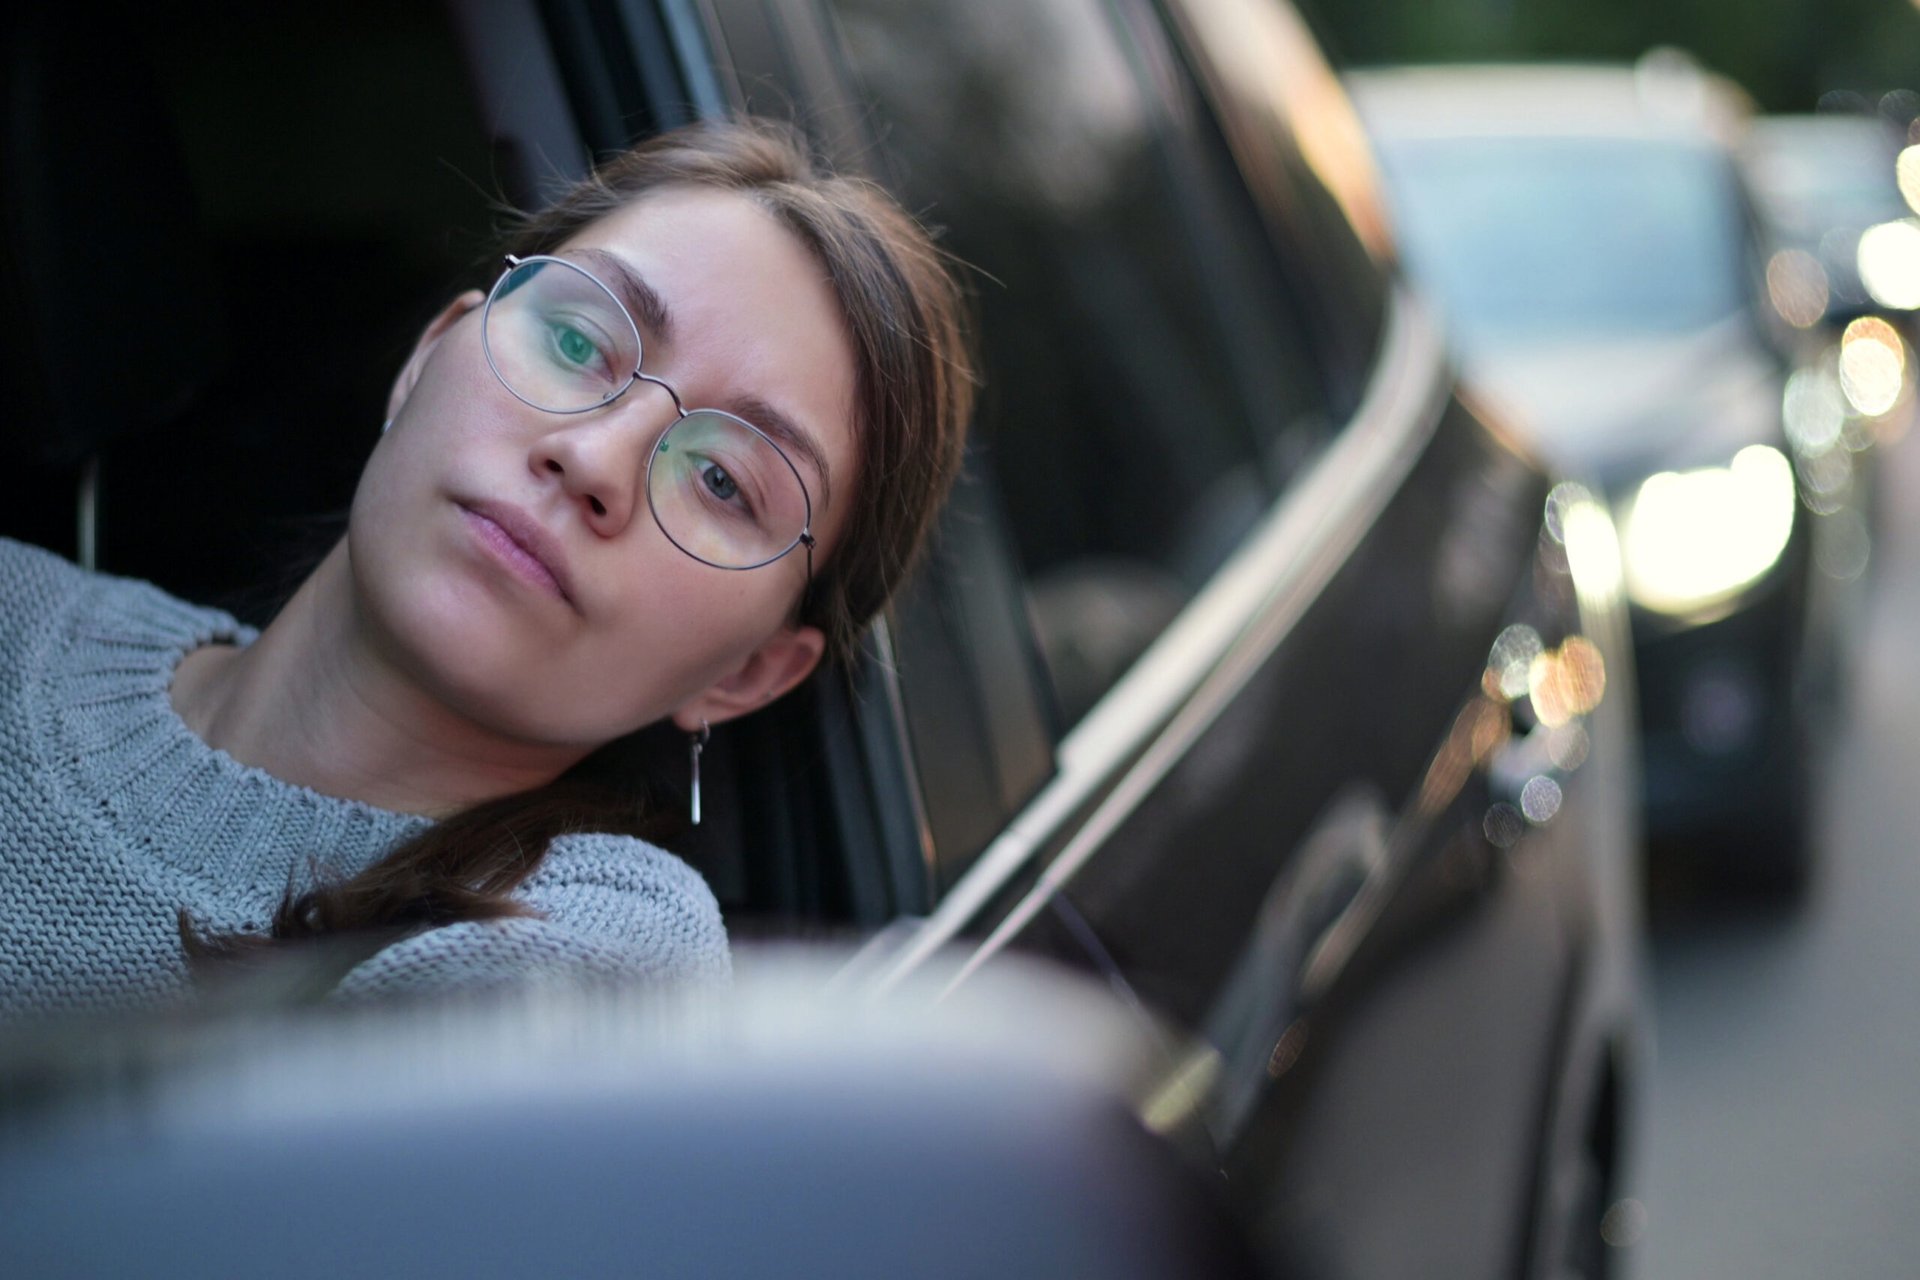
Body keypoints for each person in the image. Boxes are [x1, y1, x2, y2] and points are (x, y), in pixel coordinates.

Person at [0, 119, 973, 1019]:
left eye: (723, 478)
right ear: (426, 359)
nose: (594, 459)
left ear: (747, 672)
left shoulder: (588, 958)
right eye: (576, 339)